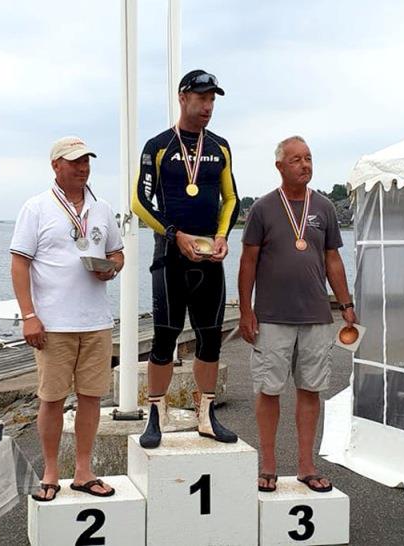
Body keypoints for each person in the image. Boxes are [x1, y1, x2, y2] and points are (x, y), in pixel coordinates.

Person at [238, 135, 357, 493]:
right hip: (272, 317)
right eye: (296, 160)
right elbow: (248, 262)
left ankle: (306, 465)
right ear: (279, 166)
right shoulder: (262, 208)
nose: (304, 165)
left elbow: (332, 259)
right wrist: (246, 310)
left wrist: (346, 304)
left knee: (310, 391)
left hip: (316, 317)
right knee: (270, 390)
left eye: (308, 158)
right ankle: (269, 465)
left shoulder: (324, 208)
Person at [10, 136, 124, 501]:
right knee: (52, 399)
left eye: (86, 160)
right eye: (74, 161)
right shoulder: (36, 208)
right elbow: (19, 263)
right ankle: (49, 472)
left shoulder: (102, 208)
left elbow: (117, 252)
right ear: (55, 165)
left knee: (92, 397)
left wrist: (113, 268)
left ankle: (84, 471)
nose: (82, 167)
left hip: (96, 321)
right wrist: (29, 315)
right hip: (53, 324)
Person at [132, 69, 240, 448]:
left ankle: (206, 415)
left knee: (211, 339)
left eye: (212, 99)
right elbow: (140, 203)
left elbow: (232, 199)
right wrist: (175, 236)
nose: (208, 106)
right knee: (165, 338)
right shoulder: (158, 145)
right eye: (201, 98)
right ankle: (155, 415)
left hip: (209, 259)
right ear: (183, 98)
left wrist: (223, 235)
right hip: (171, 257)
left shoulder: (221, 146)